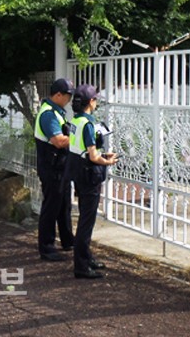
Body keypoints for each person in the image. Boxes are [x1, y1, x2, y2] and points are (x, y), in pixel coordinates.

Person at [66, 84, 119, 279]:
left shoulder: (76, 120)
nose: (97, 101)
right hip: (89, 175)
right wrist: (108, 160)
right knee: (86, 222)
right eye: (95, 99)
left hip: (78, 171)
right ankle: (81, 266)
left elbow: (82, 150)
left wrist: (101, 154)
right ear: (90, 102)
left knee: (85, 218)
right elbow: (93, 156)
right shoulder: (87, 124)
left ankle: (87, 258)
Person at [34, 78, 76, 261]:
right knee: (51, 207)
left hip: (60, 167)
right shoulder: (49, 114)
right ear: (58, 95)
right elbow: (58, 141)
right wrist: (79, 137)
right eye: (68, 96)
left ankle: (68, 240)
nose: (69, 99)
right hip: (52, 168)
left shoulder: (57, 112)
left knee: (64, 205)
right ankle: (47, 247)